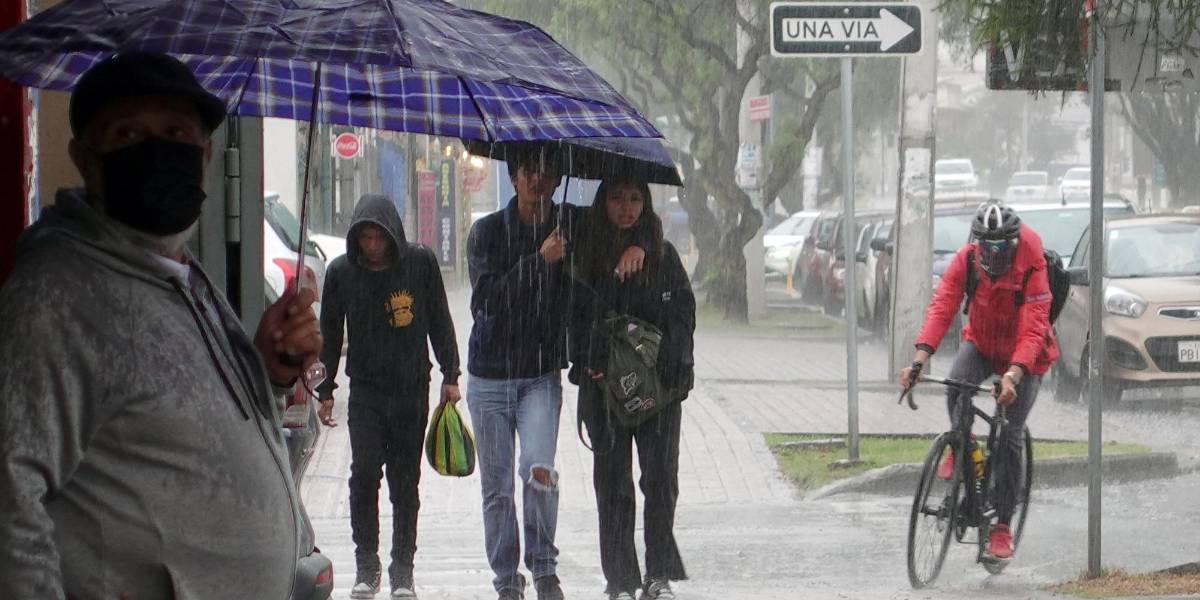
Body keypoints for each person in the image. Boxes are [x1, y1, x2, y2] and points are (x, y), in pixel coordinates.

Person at [0, 52, 322, 598]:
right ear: (85, 159)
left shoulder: (179, 273)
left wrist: (267, 370)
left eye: (175, 131)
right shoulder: (57, 297)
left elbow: (176, 434)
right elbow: (9, 497)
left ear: (205, 152)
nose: (156, 149)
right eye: (127, 134)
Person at [466, 145, 647, 600]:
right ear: (514, 178)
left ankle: (544, 567)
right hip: (489, 378)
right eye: (528, 170)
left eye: (547, 171)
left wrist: (641, 244)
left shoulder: (570, 223)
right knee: (498, 487)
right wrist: (539, 261)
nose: (537, 179)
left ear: (555, 178)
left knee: (540, 469)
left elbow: (622, 219)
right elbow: (486, 302)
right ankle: (507, 578)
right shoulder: (485, 233)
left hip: (540, 376)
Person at [315, 194, 461, 600]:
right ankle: (367, 562)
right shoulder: (341, 273)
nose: (372, 246)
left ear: (392, 235)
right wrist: (325, 388)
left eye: (378, 237)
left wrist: (451, 372)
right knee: (363, 472)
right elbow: (330, 334)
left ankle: (402, 568)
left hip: (411, 388)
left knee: (405, 482)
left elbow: (439, 319)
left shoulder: (420, 263)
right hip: (365, 390)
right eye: (364, 237)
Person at [898, 201, 1059, 562]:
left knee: (1009, 436)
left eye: (1003, 247)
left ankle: (1002, 526)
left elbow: (1035, 327)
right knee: (956, 385)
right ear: (977, 244)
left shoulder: (1033, 261)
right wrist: (919, 359)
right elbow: (942, 306)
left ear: (1015, 244)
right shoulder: (966, 260)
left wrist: (1014, 375)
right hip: (984, 344)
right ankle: (962, 445)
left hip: (1026, 357)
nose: (995, 254)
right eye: (988, 246)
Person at [568, 178, 696, 600]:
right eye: (617, 198)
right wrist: (613, 273)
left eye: (635, 199)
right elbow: (577, 316)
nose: (626, 208)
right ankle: (620, 579)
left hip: (658, 392)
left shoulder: (662, 255)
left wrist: (642, 245)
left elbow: (683, 313)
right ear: (602, 201)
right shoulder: (584, 253)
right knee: (613, 485)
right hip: (604, 389)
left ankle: (658, 574)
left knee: (660, 480)